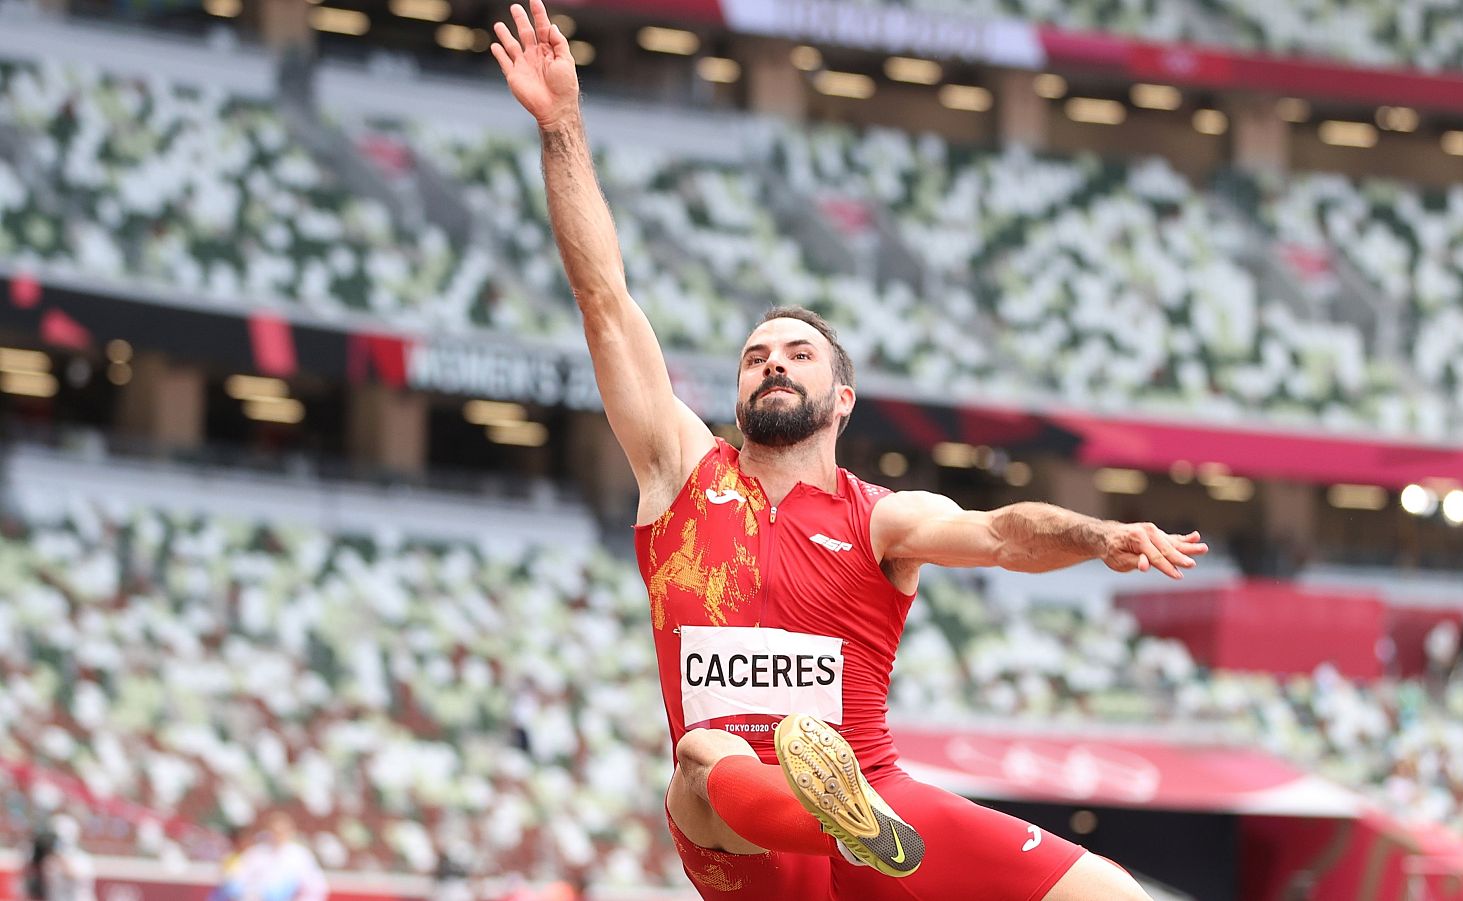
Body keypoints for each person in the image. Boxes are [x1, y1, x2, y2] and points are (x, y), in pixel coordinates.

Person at [490, 6, 1208, 898]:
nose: (772, 365)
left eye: (797, 354)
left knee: (1111, 891)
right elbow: (603, 297)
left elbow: (1001, 532)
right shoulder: (680, 472)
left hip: (881, 802)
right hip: (750, 836)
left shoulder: (882, 521)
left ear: (843, 399)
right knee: (701, 752)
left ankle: (855, 820)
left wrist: (1096, 533)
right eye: (755, 357)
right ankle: (827, 815)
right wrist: (562, 125)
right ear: (739, 392)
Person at [233, 812, 328, 901]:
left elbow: (316, 888)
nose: (278, 835)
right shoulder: (256, 853)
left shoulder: (300, 856)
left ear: (291, 831)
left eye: (282, 831)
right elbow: (238, 880)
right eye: (275, 831)